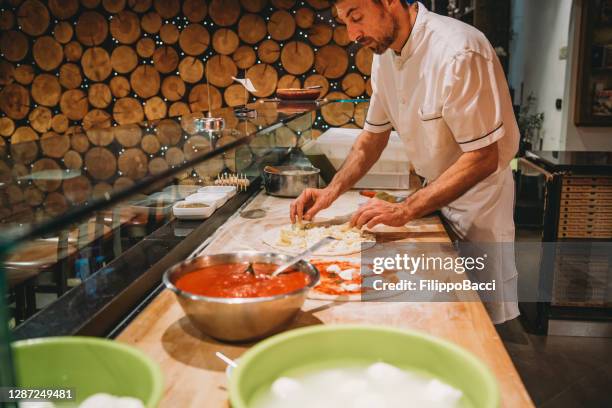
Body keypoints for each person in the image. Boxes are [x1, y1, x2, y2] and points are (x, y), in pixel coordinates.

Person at [290, 0, 520, 324]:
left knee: (477, 318)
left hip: (478, 203)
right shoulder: (384, 58)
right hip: (432, 192)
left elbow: (483, 157)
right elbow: (372, 139)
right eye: (345, 22)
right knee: (437, 309)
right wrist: (330, 192)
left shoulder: (459, 52)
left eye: (357, 18)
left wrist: (405, 209)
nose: (352, 33)